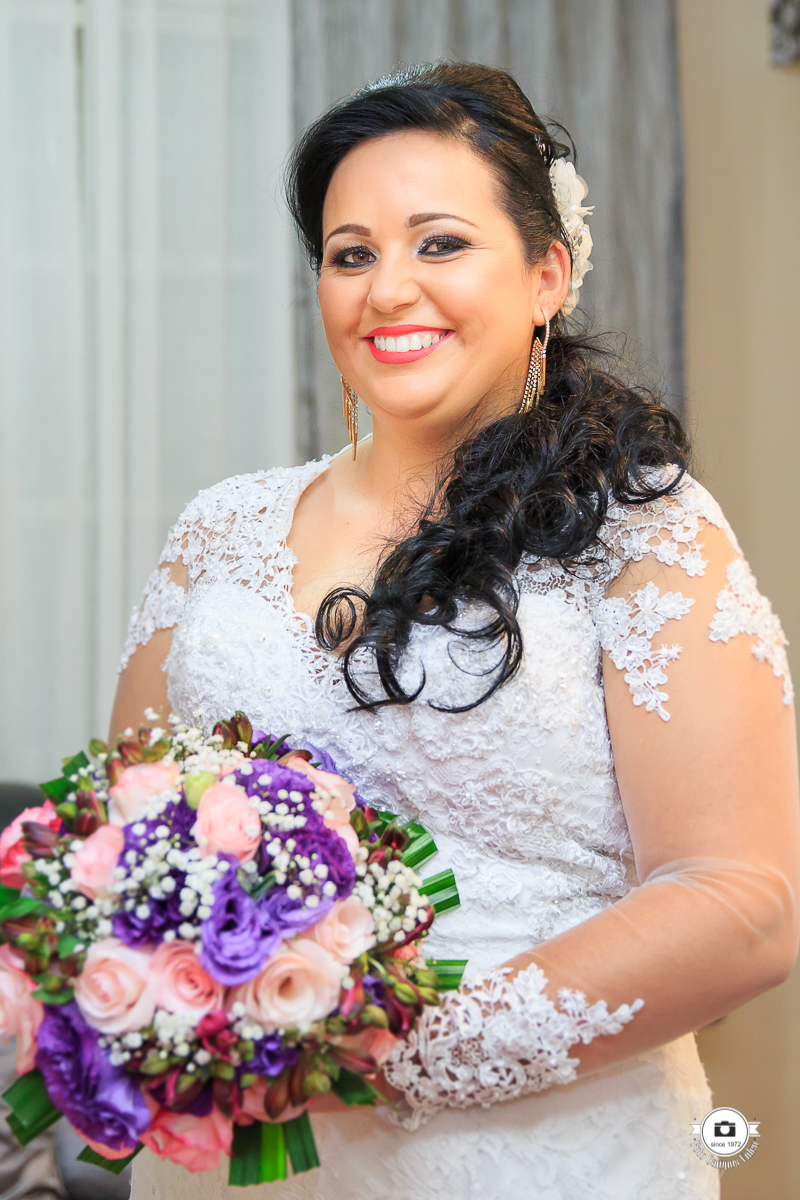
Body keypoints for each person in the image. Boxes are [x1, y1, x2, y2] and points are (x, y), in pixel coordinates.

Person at [115, 63, 799, 1200]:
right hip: (234, 1157)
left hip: (543, 1157)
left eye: (439, 244)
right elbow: (128, 836)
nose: (388, 290)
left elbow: (740, 904)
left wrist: (381, 1061)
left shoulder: (644, 532)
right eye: (350, 255)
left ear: (546, 275)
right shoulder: (218, 530)